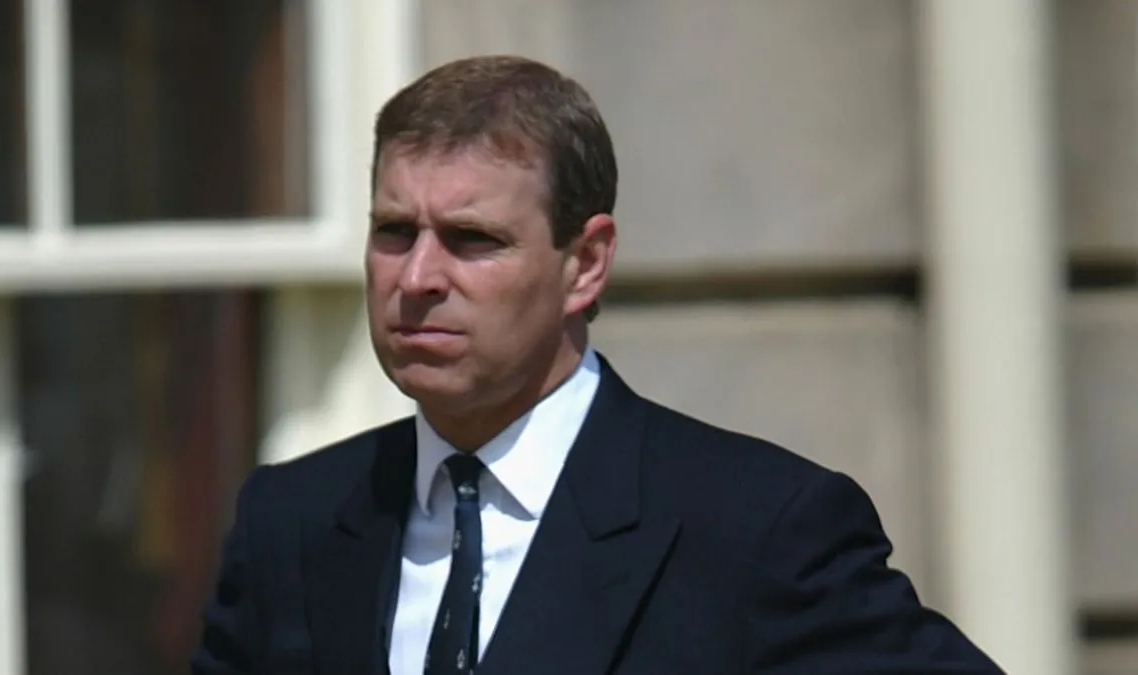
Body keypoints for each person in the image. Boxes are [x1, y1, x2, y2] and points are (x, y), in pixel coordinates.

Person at [192, 55, 1002, 674]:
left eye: (474, 240)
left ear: (585, 263)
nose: (417, 278)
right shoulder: (289, 521)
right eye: (394, 231)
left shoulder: (758, 529)